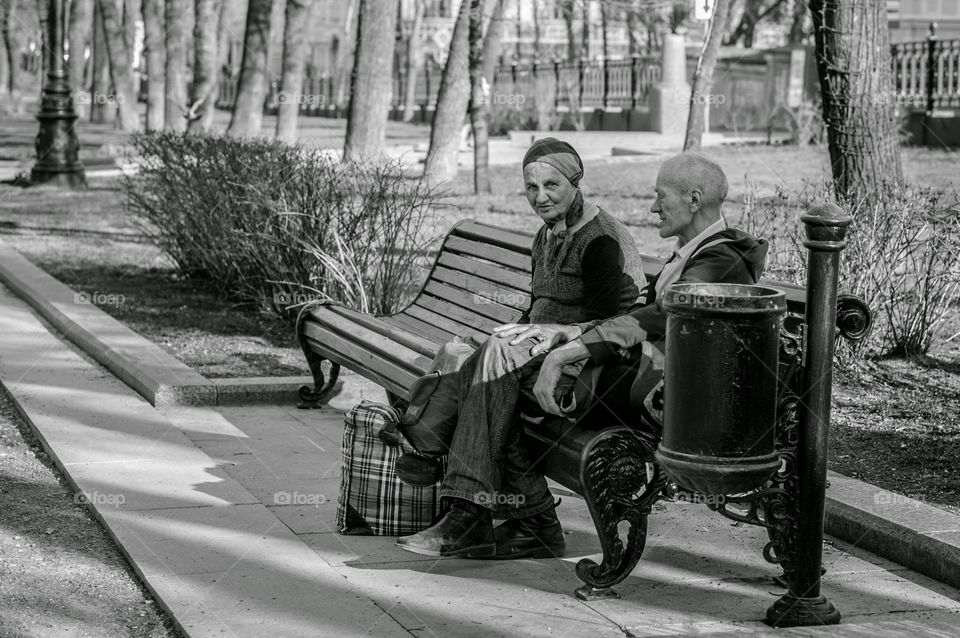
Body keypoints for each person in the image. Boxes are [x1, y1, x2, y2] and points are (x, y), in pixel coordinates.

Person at [396, 152, 768, 560]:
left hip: (655, 399)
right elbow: (641, 315)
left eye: (661, 196)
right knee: (493, 373)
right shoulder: (694, 254)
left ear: (694, 199)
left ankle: (474, 501)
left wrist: (569, 350)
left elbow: (663, 315)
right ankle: (503, 518)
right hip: (627, 378)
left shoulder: (722, 258)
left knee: (494, 368)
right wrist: (567, 334)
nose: (652, 207)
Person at [397, 137, 645, 485]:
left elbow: (604, 325)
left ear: (575, 182)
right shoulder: (545, 235)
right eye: (531, 187)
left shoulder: (601, 239)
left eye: (551, 185)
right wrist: (515, 333)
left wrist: (523, 344)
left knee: (486, 374)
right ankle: (482, 490)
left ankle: (428, 453)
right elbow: (536, 306)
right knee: (457, 352)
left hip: (586, 363)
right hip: (536, 350)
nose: (540, 197)